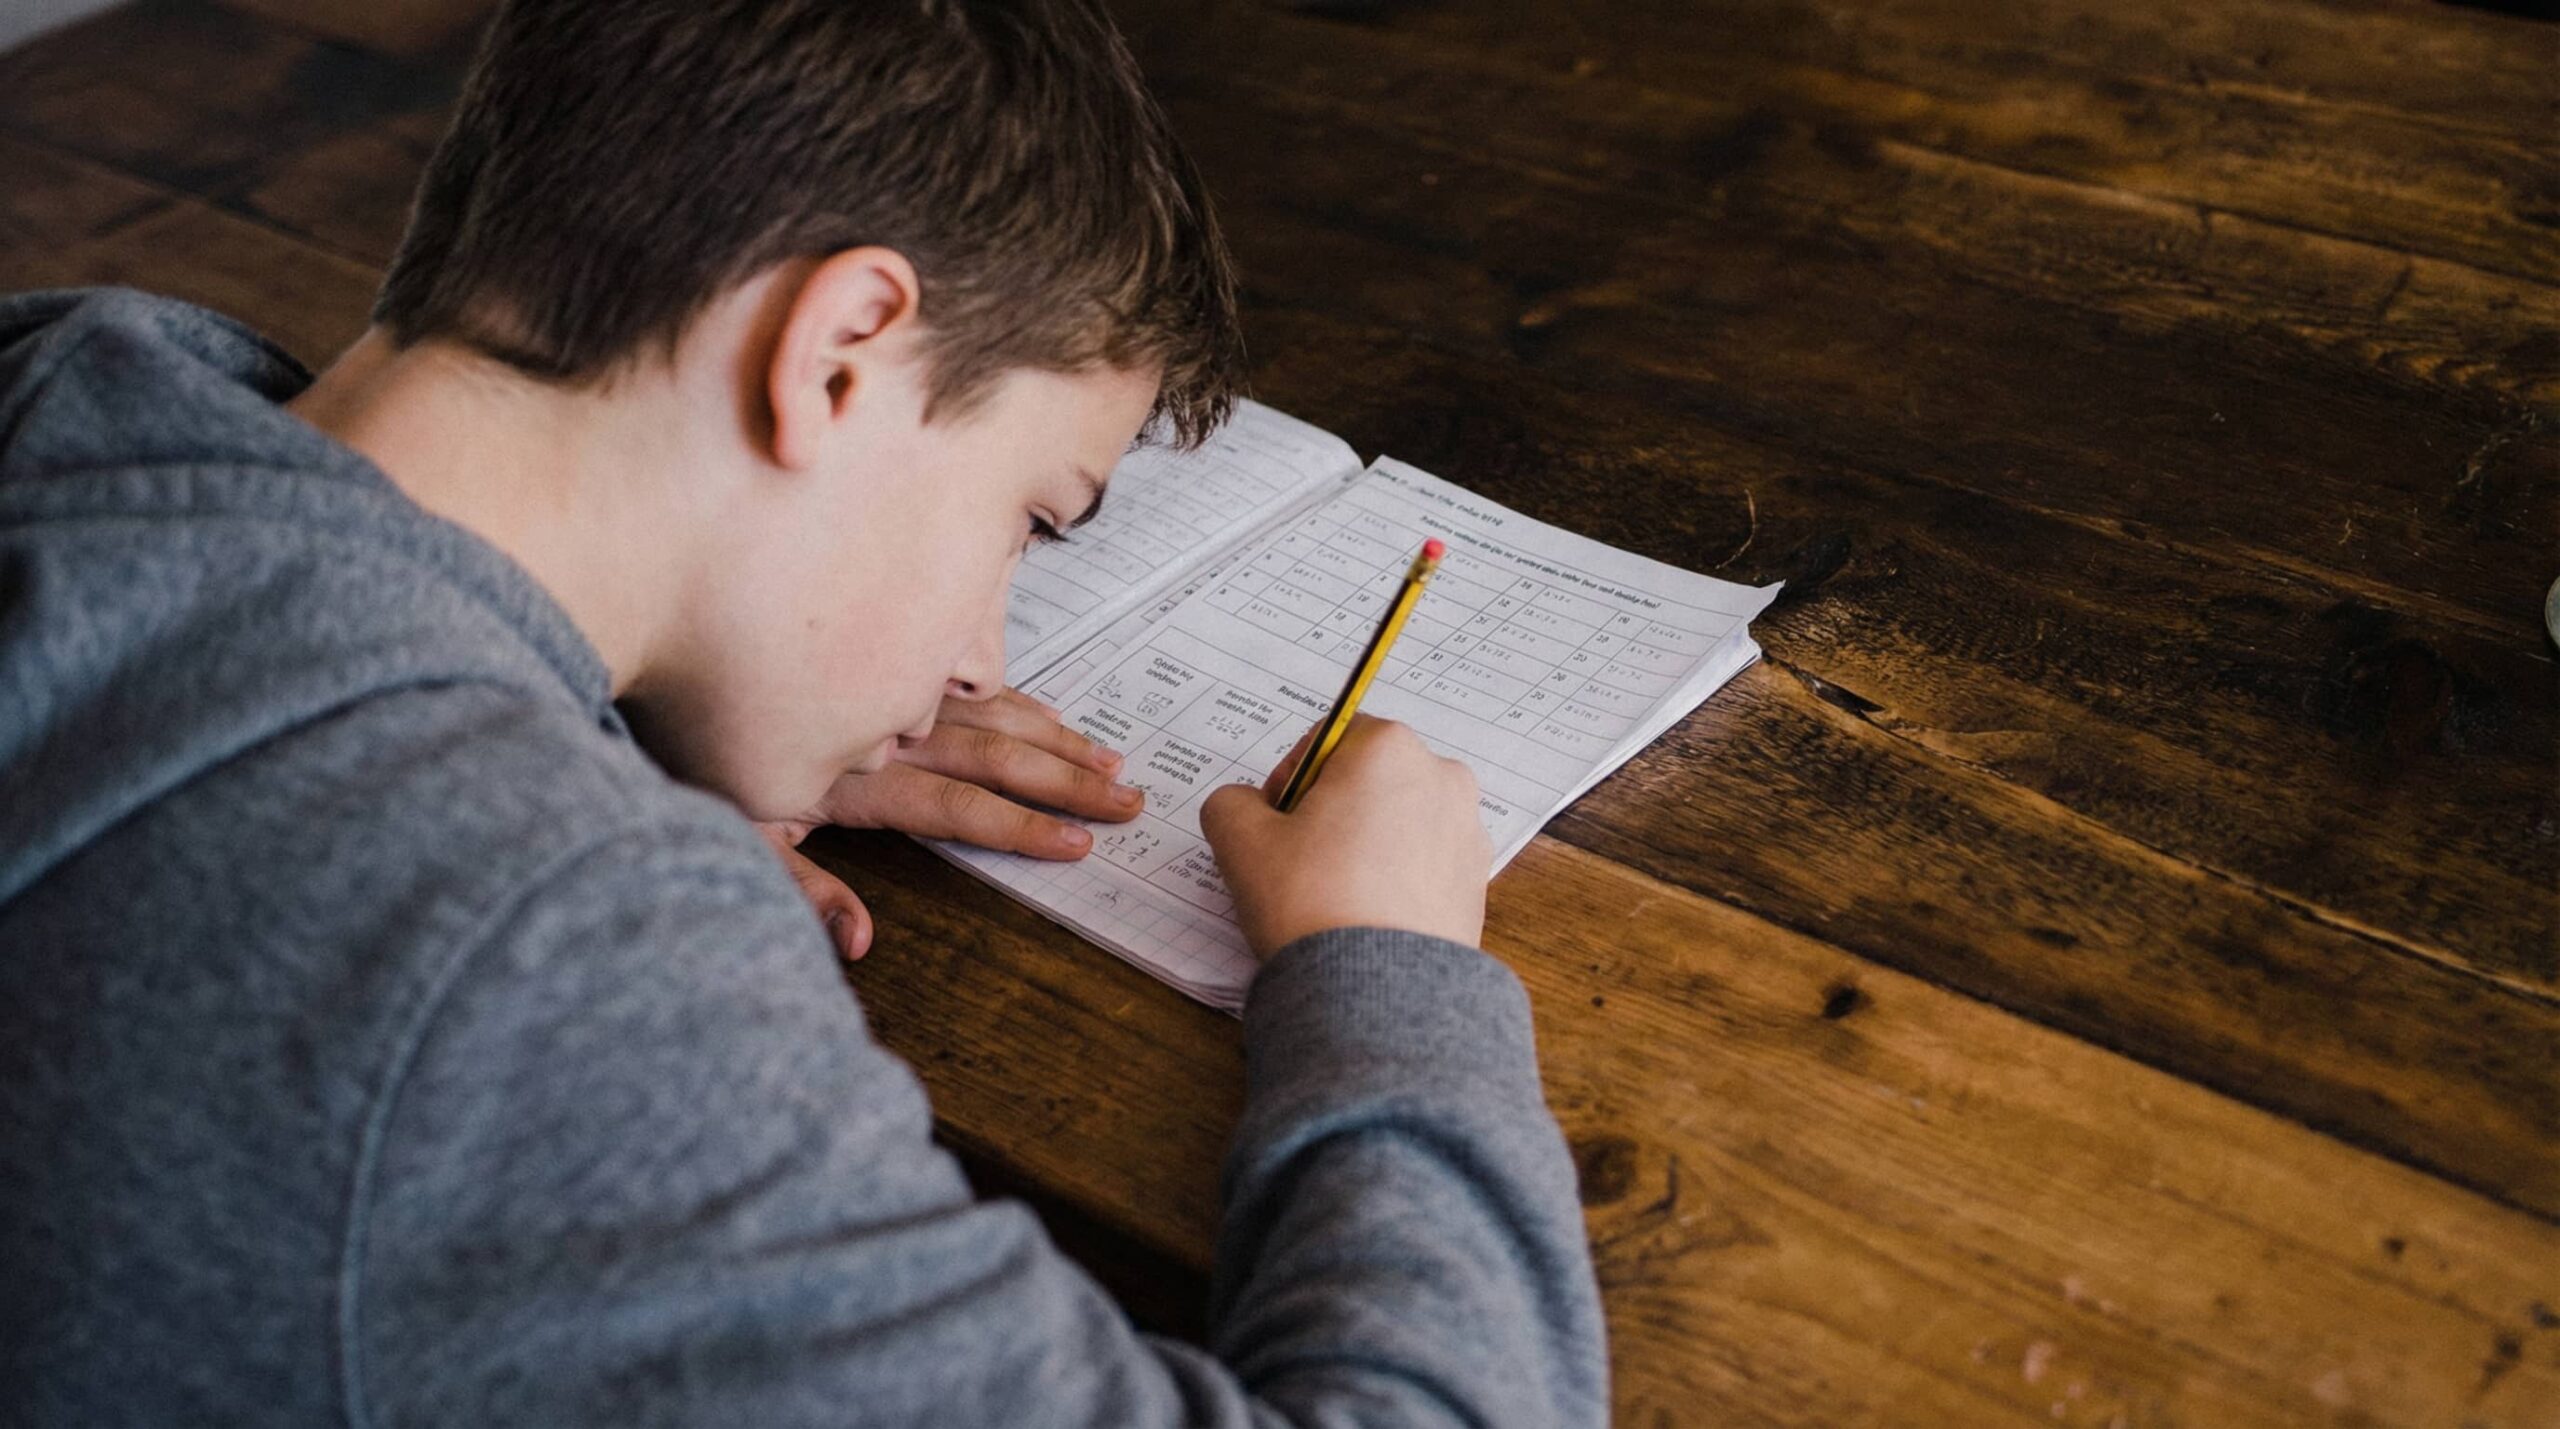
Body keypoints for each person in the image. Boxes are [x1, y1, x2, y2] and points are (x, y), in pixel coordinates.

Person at [0, 1, 1606, 1423]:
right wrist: (1387, 967)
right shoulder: (550, 958)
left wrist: (609, 713)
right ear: (837, 354)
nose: (984, 654)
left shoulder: (68, 383)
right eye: (1033, 520)